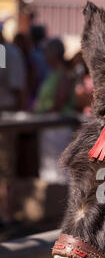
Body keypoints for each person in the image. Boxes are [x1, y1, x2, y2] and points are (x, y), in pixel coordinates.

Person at [34, 38, 74, 184]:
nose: (44, 55)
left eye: (47, 52)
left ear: (55, 54)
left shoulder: (64, 74)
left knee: (59, 171)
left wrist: (41, 113)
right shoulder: (51, 73)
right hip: (48, 127)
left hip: (59, 128)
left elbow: (59, 102)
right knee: (48, 171)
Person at [0, 22, 26, 228]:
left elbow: (18, 90)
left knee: (7, 166)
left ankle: (7, 215)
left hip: (7, 115)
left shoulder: (11, 53)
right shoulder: (3, 52)